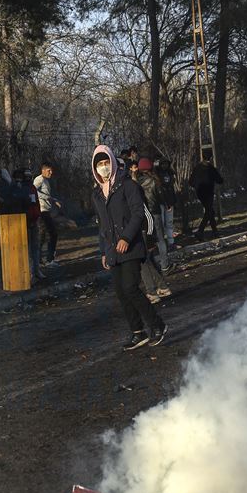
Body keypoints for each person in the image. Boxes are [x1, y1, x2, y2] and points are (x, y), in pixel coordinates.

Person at [91, 145, 166, 350]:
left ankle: (157, 325)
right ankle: (137, 332)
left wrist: (126, 237)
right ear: (94, 169)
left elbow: (138, 214)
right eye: (99, 164)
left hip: (131, 246)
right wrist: (104, 252)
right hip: (113, 250)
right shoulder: (97, 194)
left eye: (106, 162)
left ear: (113, 163)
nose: (104, 168)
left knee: (131, 287)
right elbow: (102, 226)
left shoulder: (128, 186)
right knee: (121, 293)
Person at [136, 157, 171, 272]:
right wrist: (166, 204)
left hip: (142, 214)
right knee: (160, 239)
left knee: (147, 240)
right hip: (155, 212)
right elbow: (160, 195)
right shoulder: (155, 180)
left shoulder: (136, 182)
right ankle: (165, 265)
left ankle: (150, 268)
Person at [188, 152, 224, 241]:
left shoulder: (197, 168)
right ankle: (200, 231)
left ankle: (215, 231)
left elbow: (191, 182)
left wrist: (197, 186)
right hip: (208, 192)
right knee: (209, 211)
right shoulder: (210, 168)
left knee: (210, 211)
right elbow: (220, 180)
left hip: (200, 193)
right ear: (211, 158)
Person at [34, 162, 62, 266]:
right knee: (50, 234)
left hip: (46, 211)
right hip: (41, 212)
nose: (51, 172)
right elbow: (34, 191)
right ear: (43, 170)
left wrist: (53, 200)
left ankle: (43, 260)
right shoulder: (39, 179)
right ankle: (48, 260)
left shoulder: (46, 181)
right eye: (49, 170)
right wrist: (49, 198)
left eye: (51, 170)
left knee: (45, 235)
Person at [21, 167, 44, 281]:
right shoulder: (21, 188)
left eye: (30, 176)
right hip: (24, 222)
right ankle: (29, 273)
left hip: (34, 220)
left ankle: (36, 270)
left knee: (35, 248)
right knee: (27, 249)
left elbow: (36, 203)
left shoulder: (32, 188)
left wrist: (38, 215)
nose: (29, 178)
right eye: (27, 176)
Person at [155, 158, 178, 245]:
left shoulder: (170, 173)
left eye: (166, 164)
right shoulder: (156, 174)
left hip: (170, 200)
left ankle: (171, 241)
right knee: (162, 222)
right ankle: (162, 242)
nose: (165, 166)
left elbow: (172, 188)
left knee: (169, 222)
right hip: (161, 201)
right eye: (163, 164)